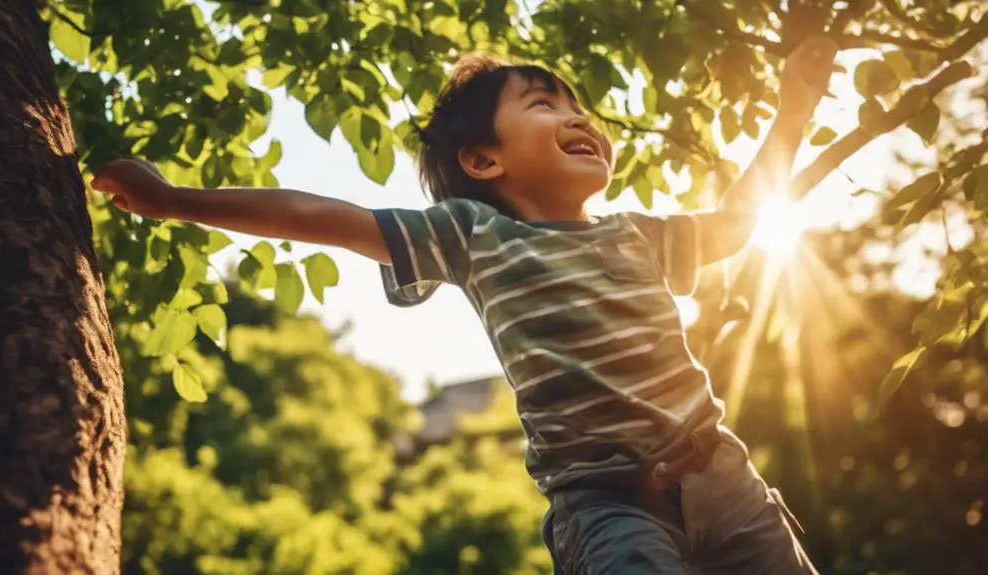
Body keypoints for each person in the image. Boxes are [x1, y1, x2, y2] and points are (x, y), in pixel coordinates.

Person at [93, 34, 838, 574]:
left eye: (578, 106)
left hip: (727, 479)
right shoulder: (474, 235)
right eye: (546, 104)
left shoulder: (638, 235)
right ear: (483, 160)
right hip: (610, 508)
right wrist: (172, 200)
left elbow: (739, 223)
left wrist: (791, 111)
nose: (580, 119)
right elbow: (318, 215)